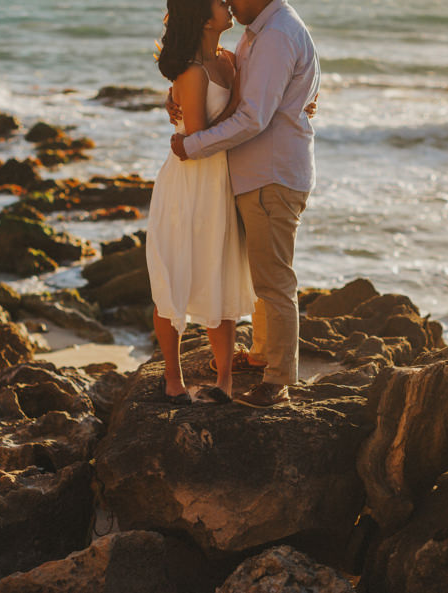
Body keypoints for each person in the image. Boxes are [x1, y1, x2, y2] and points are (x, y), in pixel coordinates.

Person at [169, 0, 320, 408]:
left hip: (271, 174)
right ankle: (259, 356)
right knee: (260, 277)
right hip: (258, 174)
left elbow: (254, 117)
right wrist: (177, 90)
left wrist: (191, 145)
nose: (230, 3)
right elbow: (248, 82)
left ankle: (277, 381)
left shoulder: (275, 35)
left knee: (273, 281)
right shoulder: (261, 33)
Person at [147, 0, 256, 404]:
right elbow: (197, 138)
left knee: (220, 273)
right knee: (173, 276)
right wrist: (244, 101)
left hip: (220, 183)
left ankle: (224, 380)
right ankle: (172, 379)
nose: (227, 3)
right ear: (203, 17)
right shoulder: (192, 72)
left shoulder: (228, 60)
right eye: (217, 0)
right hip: (187, 184)